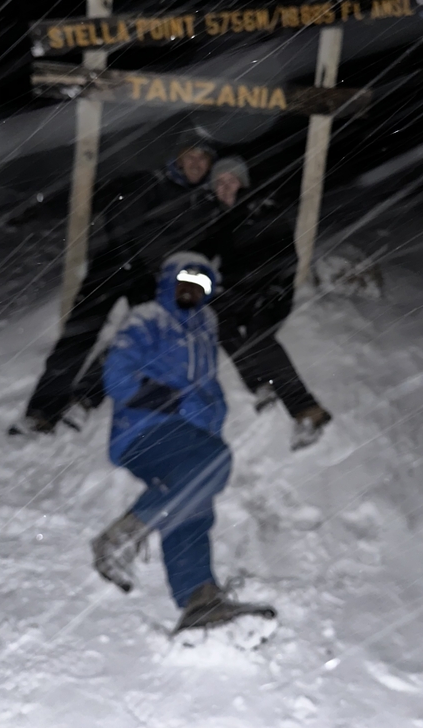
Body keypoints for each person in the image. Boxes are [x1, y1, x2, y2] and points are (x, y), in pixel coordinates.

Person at [93, 252, 275, 630]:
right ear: (168, 282)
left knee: (192, 508)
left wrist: (212, 414)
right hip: (143, 429)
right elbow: (117, 376)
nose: (193, 289)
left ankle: (199, 599)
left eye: (202, 284)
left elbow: (207, 388)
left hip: (190, 436)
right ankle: (122, 537)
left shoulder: (205, 329)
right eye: (185, 280)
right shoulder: (147, 319)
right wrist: (173, 400)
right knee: (213, 462)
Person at [9, 131, 216, 436]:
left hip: (148, 277)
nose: (197, 163)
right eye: (192, 155)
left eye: (204, 158)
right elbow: (125, 224)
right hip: (113, 266)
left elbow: (195, 248)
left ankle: (85, 397)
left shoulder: (202, 200)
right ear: (179, 157)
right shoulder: (150, 182)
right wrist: (155, 258)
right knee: (77, 339)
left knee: (142, 337)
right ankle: (41, 412)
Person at [199, 156, 332, 450]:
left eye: (230, 180)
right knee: (219, 322)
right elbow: (200, 255)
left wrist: (262, 285)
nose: (224, 186)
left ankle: (307, 410)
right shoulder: (220, 219)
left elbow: (282, 255)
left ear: (243, 183)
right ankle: (260, 385)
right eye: (219, 182)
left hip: (273, 288)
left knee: (260, 333)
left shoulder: (261, 208)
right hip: (241, 292)